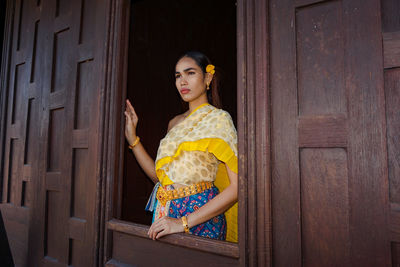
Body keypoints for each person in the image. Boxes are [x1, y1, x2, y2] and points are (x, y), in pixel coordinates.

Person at [124, 51, 238, 242]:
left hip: (200, 220)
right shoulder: (173, 123)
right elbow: (160, 179)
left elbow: (237, 188)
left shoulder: (219, 119)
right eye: (178, 76)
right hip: (163, 216)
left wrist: (182, 222)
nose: (182, 81)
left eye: (190, 73)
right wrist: (133, 139)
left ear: (208, 77)